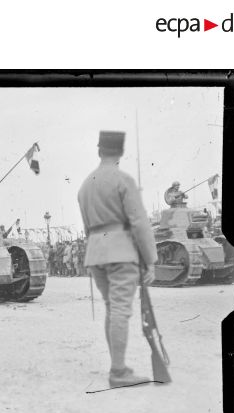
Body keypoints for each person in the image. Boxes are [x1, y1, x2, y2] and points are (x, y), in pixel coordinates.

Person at [78, 130, 157, 388]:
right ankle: (119, 372)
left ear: (99, 150)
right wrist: (150, 259)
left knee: (112, 308)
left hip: (95, 252)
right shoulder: (123, 180)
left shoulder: (85, 184)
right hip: (121, 251)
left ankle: (118, 366)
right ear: (120, 153)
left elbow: (87, 224)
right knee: (121, 309)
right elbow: (139, 222)